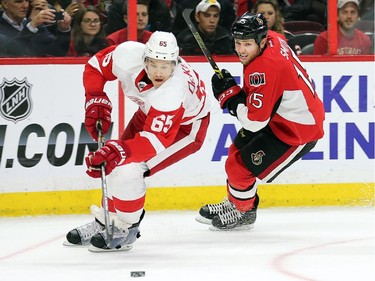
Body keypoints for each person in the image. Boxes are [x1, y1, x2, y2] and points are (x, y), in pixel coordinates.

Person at [63, 31, 211, 251]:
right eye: (154, 64)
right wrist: (95, 97)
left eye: (166, 66)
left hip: (186, 127)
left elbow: (154, 142)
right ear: (144, 59)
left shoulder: (173, 91)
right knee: (116, 163)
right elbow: (95, 67)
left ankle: (126, 228)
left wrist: (121, 152)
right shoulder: (127, 54)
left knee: (128, 167)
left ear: (176, 63)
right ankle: (106, 221)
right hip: (149, 113)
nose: (159, 72)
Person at [196, 12, 325, 230]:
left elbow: (254, 122)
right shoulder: (272, 38)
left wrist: (229, 98)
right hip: (280, 118)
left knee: (239, 168)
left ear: (261, 40)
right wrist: (237, 94)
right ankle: (235, 203)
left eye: (247, 44)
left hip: (298, 132)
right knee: (235, 153)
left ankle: (244, 213)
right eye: (238, 43)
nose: (241, 50)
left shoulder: (266, 68)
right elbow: (263, 97)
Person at [0, 0, 72, 57]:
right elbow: (10, 51)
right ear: (5, 3)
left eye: (27, 1)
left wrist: (63, 30)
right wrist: (31, 26)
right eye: (18, 1)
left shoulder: (35, 25)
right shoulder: (33, 25)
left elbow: (57, 53)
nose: (25, 6)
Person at [104, 0, 171, 36]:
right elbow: (115, 34)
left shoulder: (161, 8)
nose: (141, 18)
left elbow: (165, 35)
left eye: (144, 14)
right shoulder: (117, 7)